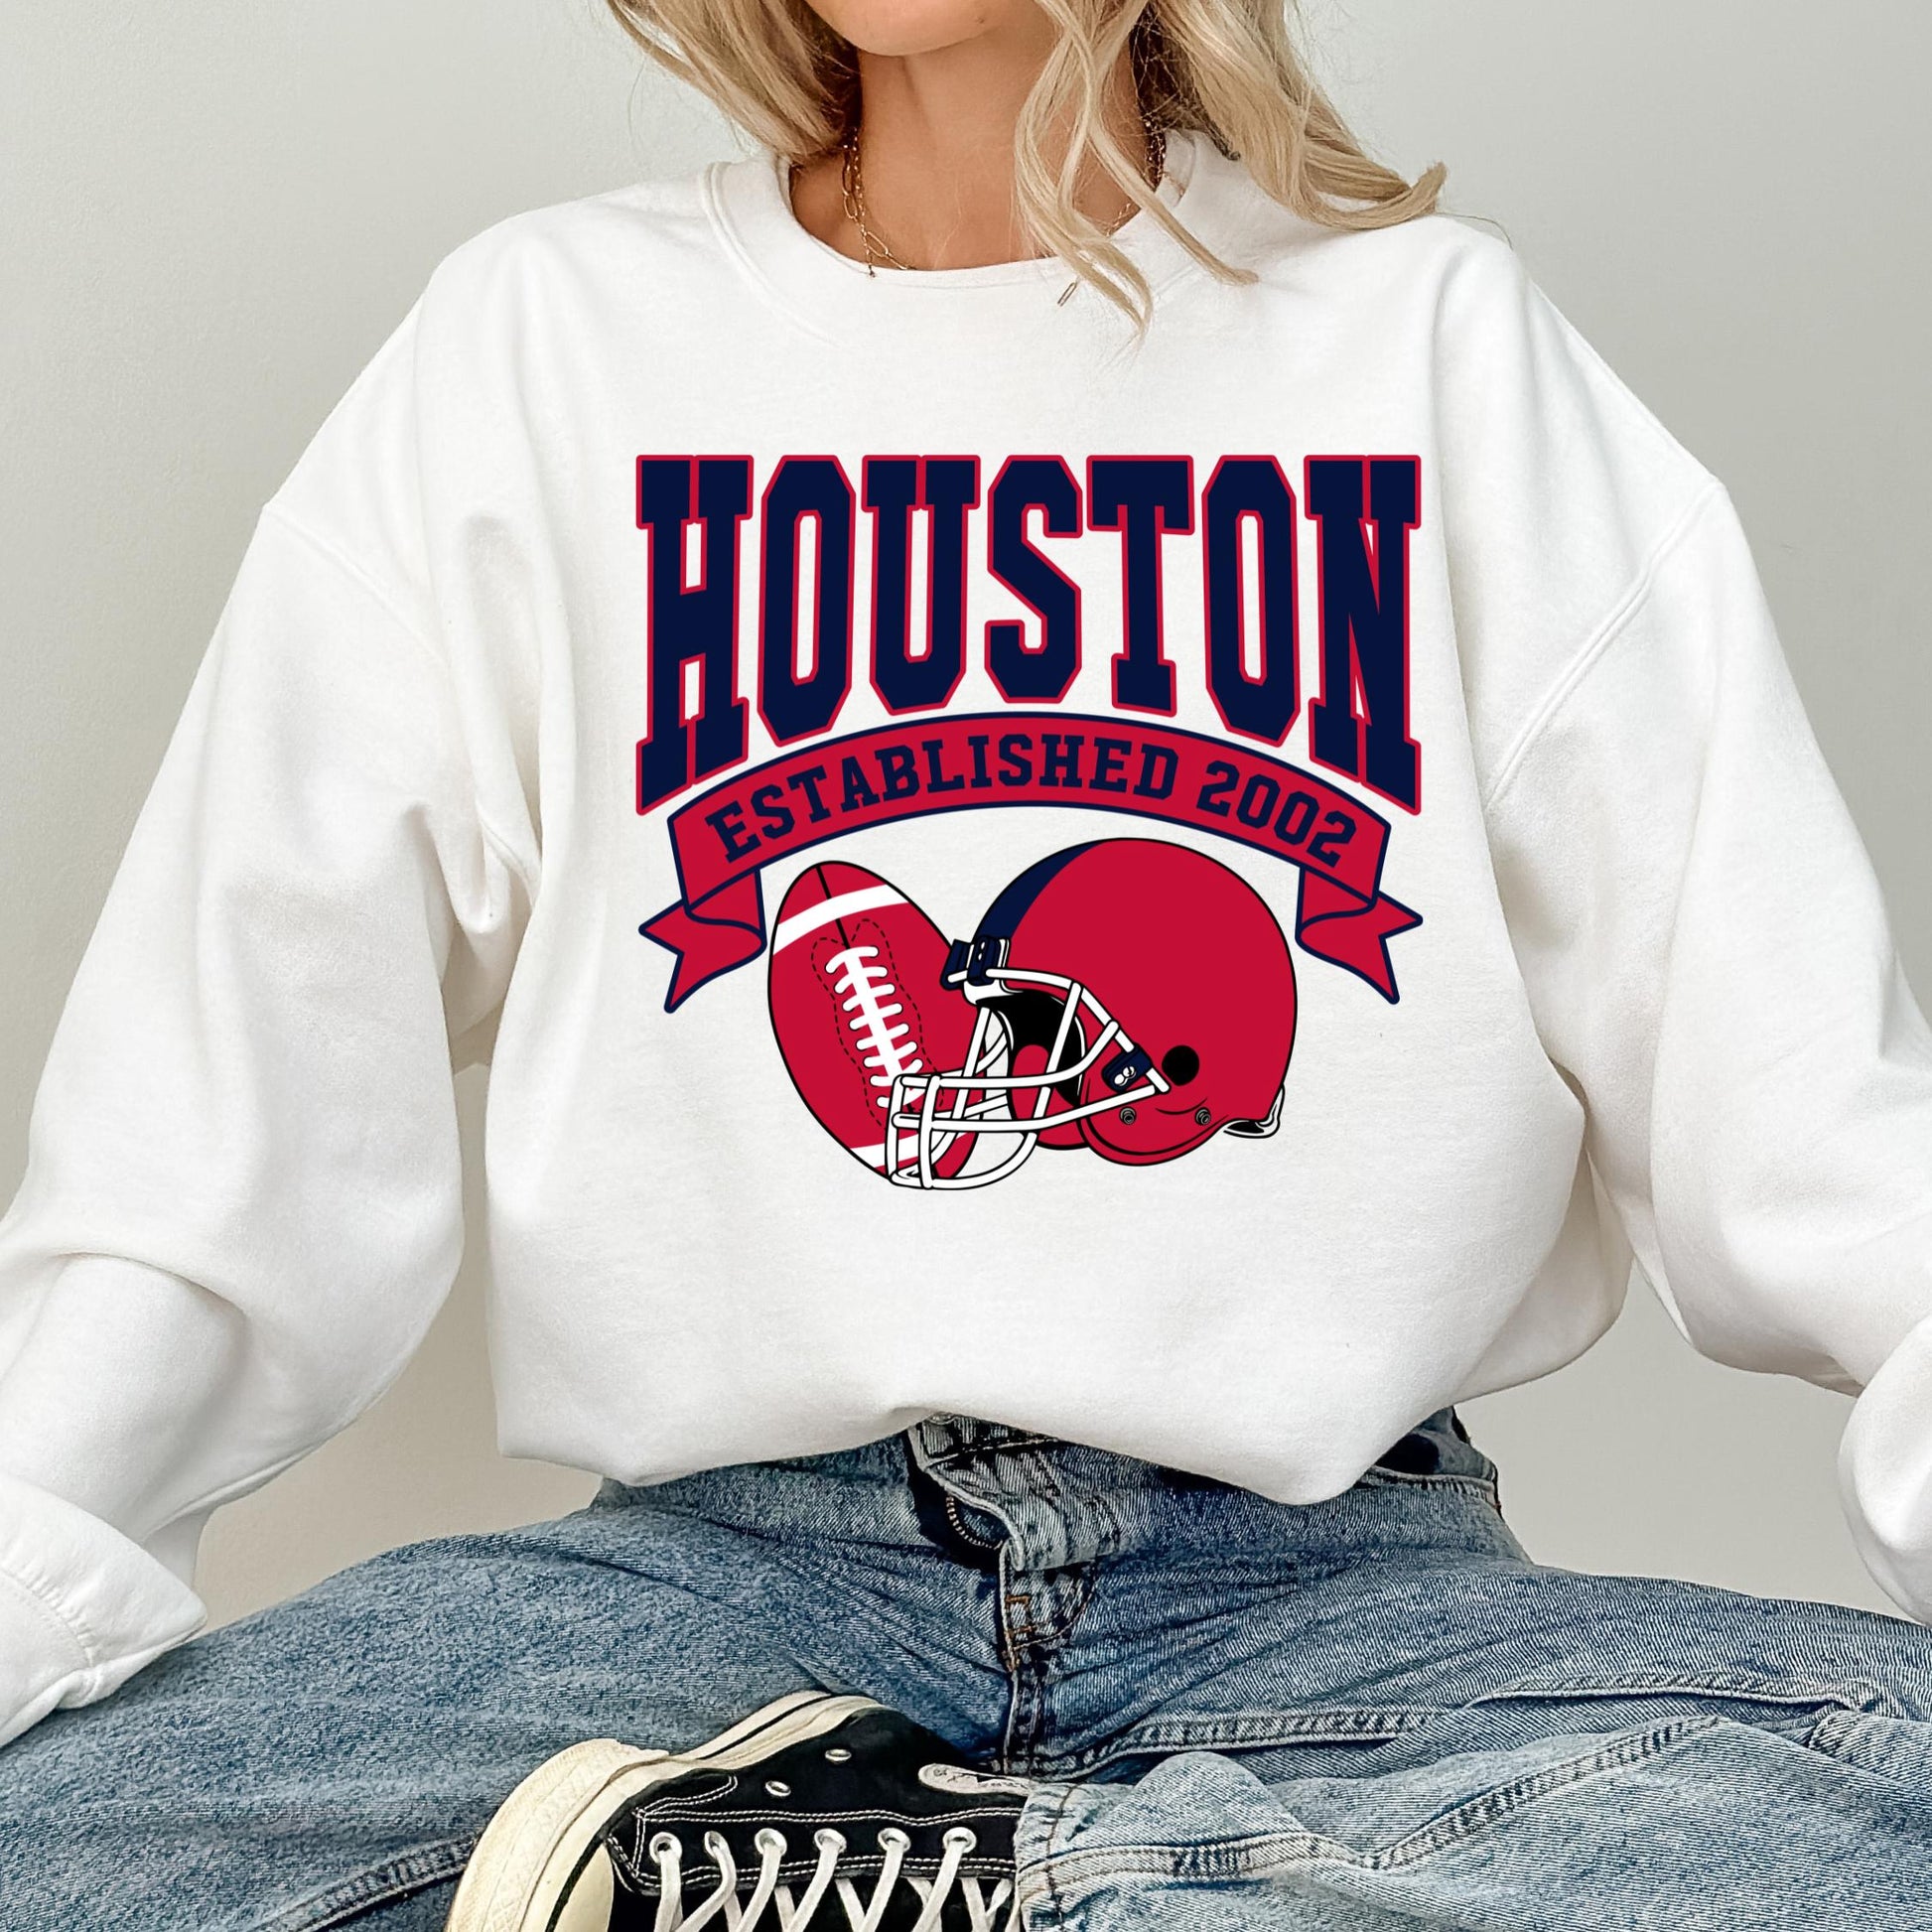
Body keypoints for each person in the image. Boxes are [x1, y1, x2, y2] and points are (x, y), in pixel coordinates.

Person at [3, 0, 1931, 1926]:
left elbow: (1825, 1145)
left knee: (1893, 1771)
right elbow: (211, 1160)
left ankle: (866, 1888)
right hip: (702, 1600)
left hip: (1338, 1604)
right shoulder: (537, 342)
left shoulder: (1437, 347)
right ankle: (1168, 1892)